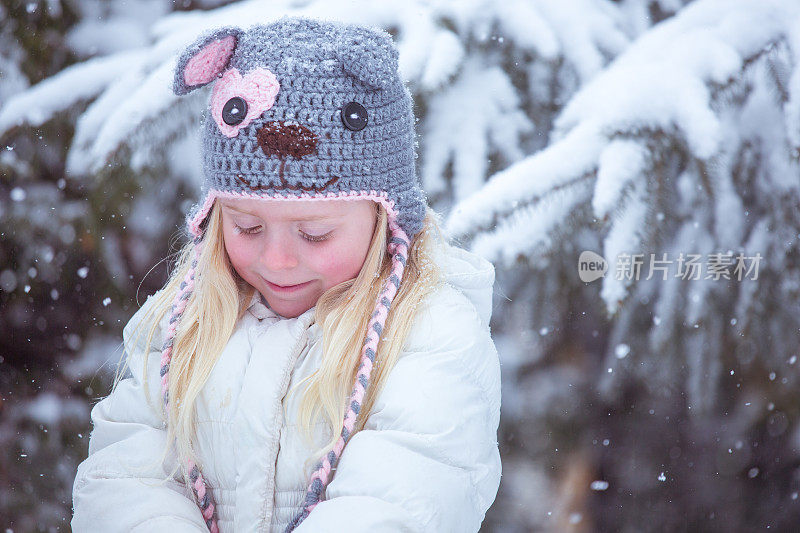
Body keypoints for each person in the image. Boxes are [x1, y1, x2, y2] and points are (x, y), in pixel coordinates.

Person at [71, 15, 501, 533]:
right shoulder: (184, 321)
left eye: (315, 233)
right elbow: (125, 477)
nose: (276, 260)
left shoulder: (430, 334)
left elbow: (403, 499)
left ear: (384, 219)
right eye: (247, 226)